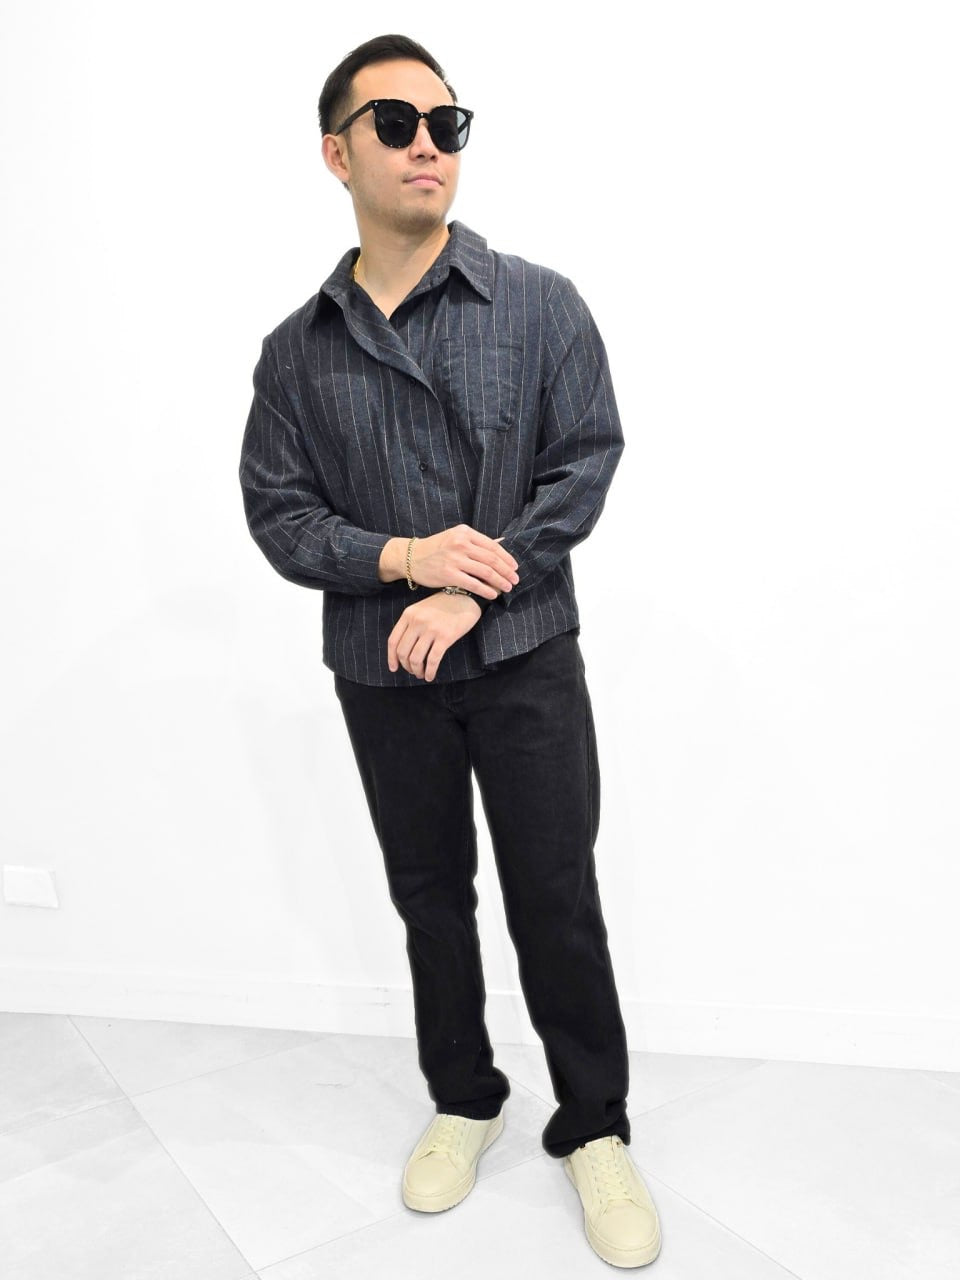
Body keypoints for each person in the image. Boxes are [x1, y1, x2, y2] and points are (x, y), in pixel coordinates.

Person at [238, 32, 661, 1269]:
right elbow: (280, 512)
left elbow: (583, 462)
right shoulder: (296, 350)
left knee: (555, 894)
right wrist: (405, 558)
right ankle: (465, 1095)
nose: (428, 144)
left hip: (526, 655)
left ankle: (595, 1124)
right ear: (338, 153)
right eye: (396, 122)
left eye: (447, 123)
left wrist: (478, 585)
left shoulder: (537, 304)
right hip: (385, 671)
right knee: (429, 894)